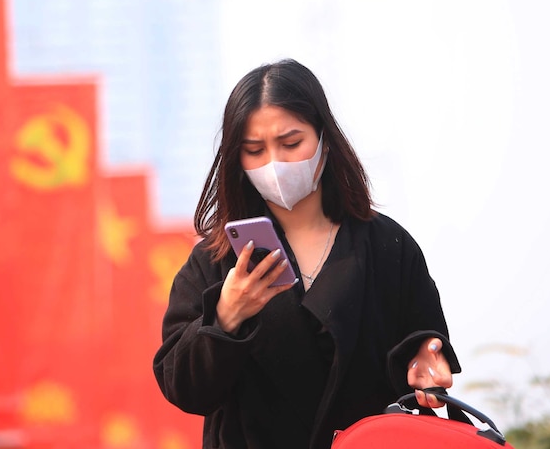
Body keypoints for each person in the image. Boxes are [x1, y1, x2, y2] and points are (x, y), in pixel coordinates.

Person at [152, 59, 461, 449]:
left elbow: (422, 339)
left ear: (325, 139)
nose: (274, 164)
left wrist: (424, 360)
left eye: (291, 143)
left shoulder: (388, 247)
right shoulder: (215, 261)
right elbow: (183, 388)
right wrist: (224, 319)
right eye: (254, 150)